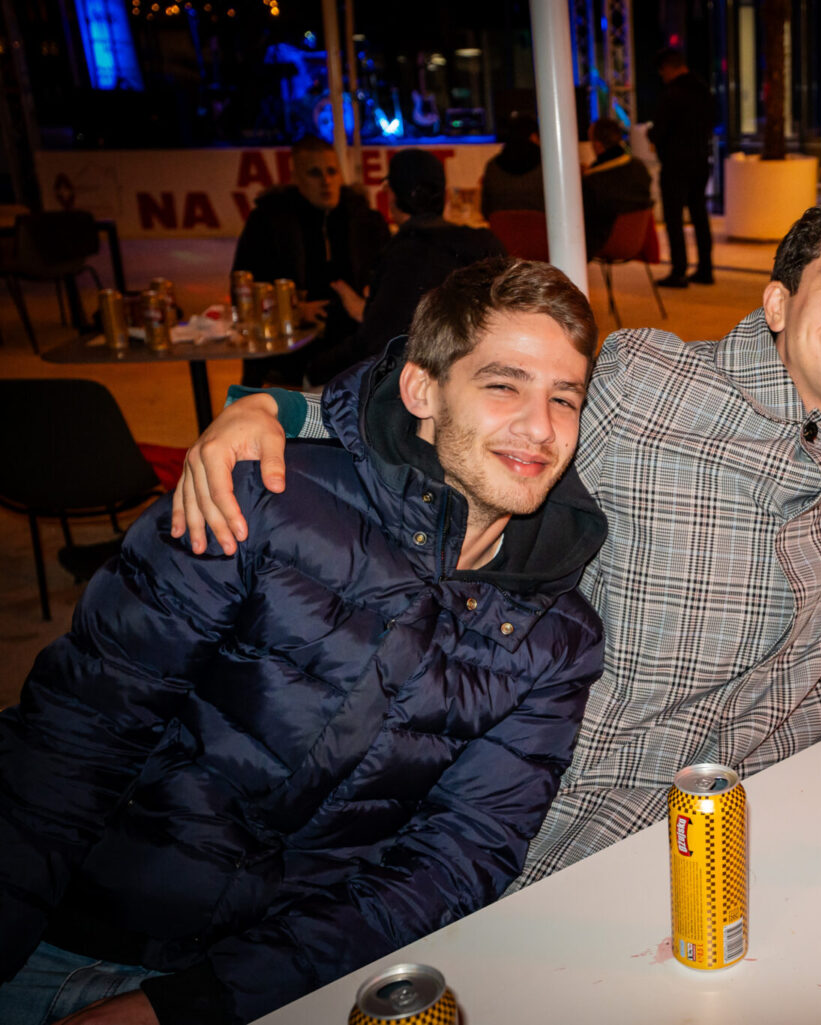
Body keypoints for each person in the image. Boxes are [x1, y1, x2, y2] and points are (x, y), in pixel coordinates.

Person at [168, 196, 821, 890]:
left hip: (801, 769)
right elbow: (472, 401)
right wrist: (280, 409)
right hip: (613, 779)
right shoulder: (650, 381)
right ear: (779, 304)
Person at [0, 259, 608, 1024]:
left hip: (281, 979)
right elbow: (77, 733)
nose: (541, 427)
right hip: (69, 925)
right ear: (422, 391)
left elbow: (455, 859)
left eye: (564, 397)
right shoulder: (259, 498)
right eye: (503, 385)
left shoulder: (558, 636)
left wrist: (189, 1004)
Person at [312, 148, 505, 384]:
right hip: (483, 373)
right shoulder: (484, 243)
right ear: (444, 196)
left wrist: (313, 370)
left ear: (392, 196)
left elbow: (376, 343)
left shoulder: (405, 254)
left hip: (425, 383)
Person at [231, 136, 390, 386]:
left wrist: (365, 307)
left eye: (332, 172)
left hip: (355, 346)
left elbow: (391, 284)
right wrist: (291, 309)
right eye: (315, 173)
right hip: (290, 350)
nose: (326, 181)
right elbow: (244, 289)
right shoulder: (268, 222)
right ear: (295, 178)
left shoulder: (365, 221)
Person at [650, 48, 715, 287]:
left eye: (662, 71)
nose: (662, 76)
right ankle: (705, 269)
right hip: (700, 161)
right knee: (699, 215)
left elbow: (659, 130)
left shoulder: (672, 94)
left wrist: (652, 136)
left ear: (668, 68)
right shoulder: (704, 91)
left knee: (674, 218)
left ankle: (679, 270)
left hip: (675, 163)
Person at [581, 116, 654, 253]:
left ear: (598, 145)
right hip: (637, 239)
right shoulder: (639, 167)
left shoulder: (593, 179)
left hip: (604, 242)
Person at [480, 113, 545, 218]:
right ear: (533, 137)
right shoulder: (546, 168)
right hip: (541, 228)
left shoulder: (492, 167)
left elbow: (485, 211)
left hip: (501, 228)